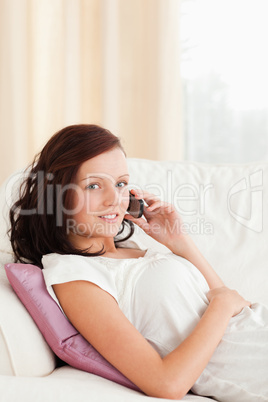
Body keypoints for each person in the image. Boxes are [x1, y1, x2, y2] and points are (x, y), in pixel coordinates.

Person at [9, 124, 268, 401]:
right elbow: (166, 383)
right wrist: (221, 305)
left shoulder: (132, 250)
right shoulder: (74, 276)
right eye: (94, 185)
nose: (114, 200)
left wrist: (178, 242)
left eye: (120, 184)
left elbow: (234, 304)